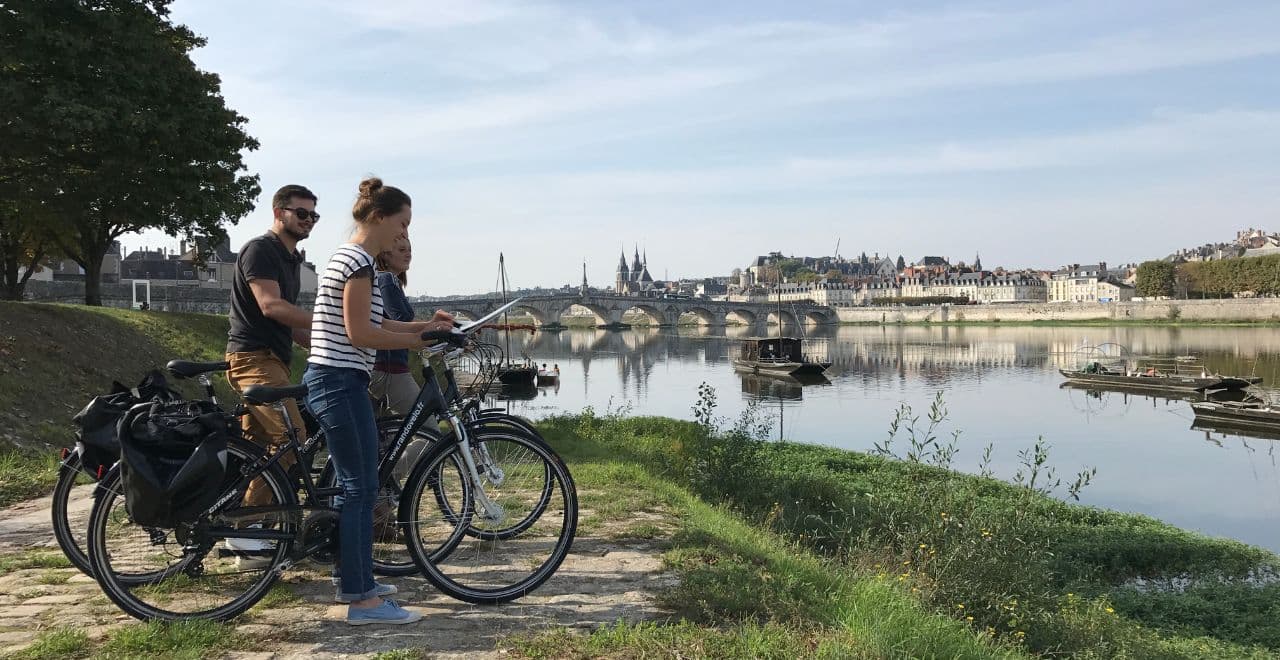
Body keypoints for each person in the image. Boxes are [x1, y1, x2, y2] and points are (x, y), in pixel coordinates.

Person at [303, 177, 451, 625]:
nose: (403, 234)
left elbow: (379, 321)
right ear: (380, 217)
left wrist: (426, 326)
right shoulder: (358, 263)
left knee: (361, 487)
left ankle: (355, 579)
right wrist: (421, 343)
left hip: (340, 380)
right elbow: (361, 334)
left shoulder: (352, 259)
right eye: (402, 224)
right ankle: (362, 601)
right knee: (360, 489)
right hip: (340, 380)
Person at [224, 184, 317, 563]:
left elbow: (289, 324)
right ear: (279, 213)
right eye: (301, 213)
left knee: (259, 449)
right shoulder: (261, 250)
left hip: (272, 359)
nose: (308, 220)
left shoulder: (291, 259)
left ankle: (248, 527)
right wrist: (335, 319)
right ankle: (246, 531)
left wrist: (325, 343)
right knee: (292, 436)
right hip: (253, 359)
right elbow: (271, 306)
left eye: (313, 215)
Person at [369, 237, 430, 416]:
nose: (408, 254)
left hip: (385, 366)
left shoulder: (389, 280)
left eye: (410, 250)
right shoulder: (386, 279)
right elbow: (399, 322)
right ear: (385, 256)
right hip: (390, 369)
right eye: (402, 250)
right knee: (429, 433)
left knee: (386, 436)